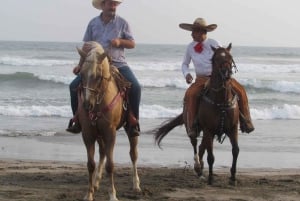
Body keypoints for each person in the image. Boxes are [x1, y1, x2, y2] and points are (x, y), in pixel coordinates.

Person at [66, 0, 141, 136]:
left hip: (118, 63)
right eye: (110, 3)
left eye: (115, 4)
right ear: (103, 5)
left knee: (135, 87)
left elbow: (132, 43)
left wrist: (120, 41)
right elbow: (86, 47)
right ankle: (77, 119)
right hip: (95, 65)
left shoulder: (122, 22)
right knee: (73, 86)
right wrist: (80, 64)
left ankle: (133, 122)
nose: (113, 6)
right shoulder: (93, 23)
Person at [179, 18, 254, 137]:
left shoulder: (214, 43)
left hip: (219, 78)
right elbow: (184, 64)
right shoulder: (190, 47)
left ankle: (246, 121)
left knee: (241, 90)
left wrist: (226, 70)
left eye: (195, 31)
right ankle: (193, 126)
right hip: (201, 79)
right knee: (191, 94)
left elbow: (224, 56)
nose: (192, 34)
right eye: (192, 31)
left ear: (203, 32)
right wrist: (187, 74)